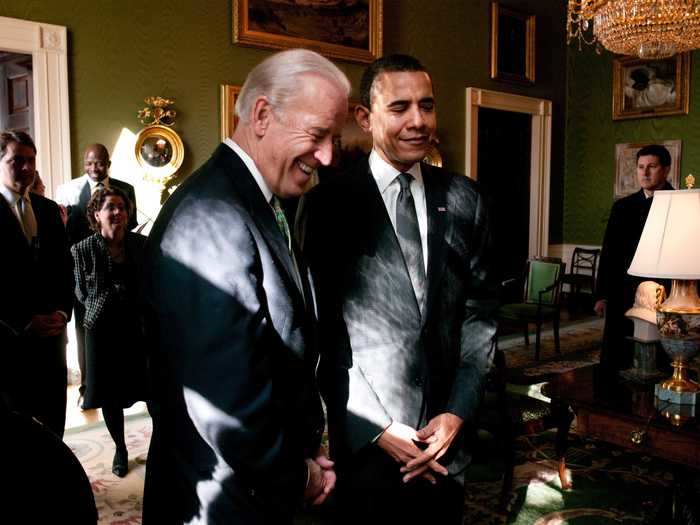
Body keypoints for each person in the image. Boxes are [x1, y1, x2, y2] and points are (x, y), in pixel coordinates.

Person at [142, 49, 349, 524]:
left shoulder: (261, 201)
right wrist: (301, 476)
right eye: (317, 135)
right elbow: (227, 406)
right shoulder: (211, 217)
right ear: (261, 115)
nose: (327, 155)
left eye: (333, 139)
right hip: (221, 501)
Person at [300, 54, 498, 525]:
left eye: (427, 106)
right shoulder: (328, 204)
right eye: (400, 107)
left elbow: (480, 312)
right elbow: (321, 330)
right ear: (365, 118)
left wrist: (456, 413)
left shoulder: (465, 198)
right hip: (372, 448)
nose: (418, 121)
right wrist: (377, 427)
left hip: (447, 442)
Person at [71, 187, 149, 477]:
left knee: (151, 389)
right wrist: (109, 290)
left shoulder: (141, 245)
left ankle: (160, 447)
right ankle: (120, 448)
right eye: (111, 208)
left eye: (122, 207)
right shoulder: (82, 250)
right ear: (96, 214)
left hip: (138, 327)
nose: (118, 213)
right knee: (110, 395)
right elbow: (81, 293)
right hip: (103, 329)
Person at [0, 130, 73, 438]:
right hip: (9, 345)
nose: (27, 168)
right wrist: (22, 323)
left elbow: (64, 269)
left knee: (54, 423)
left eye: (31, 161)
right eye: (17, 160)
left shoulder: (47, 209)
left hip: (53, 341)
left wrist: (62, 312)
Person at [56, 144, 138, 406]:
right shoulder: (68, 190)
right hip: (85, 268)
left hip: (121, 261)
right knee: (85, 331)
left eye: (99, 163)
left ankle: (129, 384)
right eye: (89, 163)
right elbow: (64, 234)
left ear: (108, 163)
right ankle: (88, 386)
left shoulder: (126, 188)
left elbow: (131, 226)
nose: (94, 168)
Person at [595, 144, 675, 374]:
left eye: (651, 166)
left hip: (662, 291)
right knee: (617, 351)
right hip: (623, 289)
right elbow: (609, 252)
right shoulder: (622, 206)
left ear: (666, 169)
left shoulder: (677, 203)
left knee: (658, 353)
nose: (645, 173)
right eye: (640, 167)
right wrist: (602, 294)